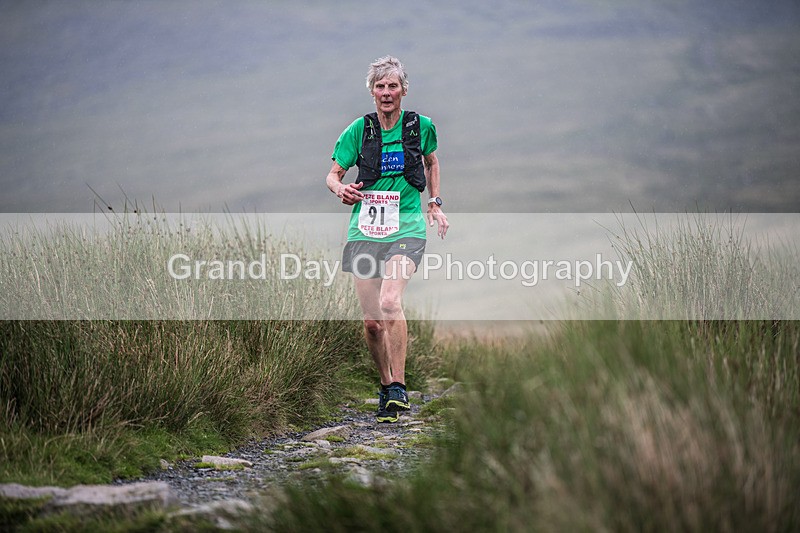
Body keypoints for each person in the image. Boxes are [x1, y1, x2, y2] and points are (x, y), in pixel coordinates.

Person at [325, 56, 449, 423]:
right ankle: (385, 387)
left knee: (391, 301)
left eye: (392, 86)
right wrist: (340, 189)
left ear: (403, 91)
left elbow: (432, 161)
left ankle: (399, 386)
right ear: (371, 92)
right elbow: (333, 174)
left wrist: (435, 202)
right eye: (379, 87)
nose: (386, 93)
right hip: (364, 231)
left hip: (407, 228)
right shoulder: (357, 132)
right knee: (372, 322)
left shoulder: (420, 126)